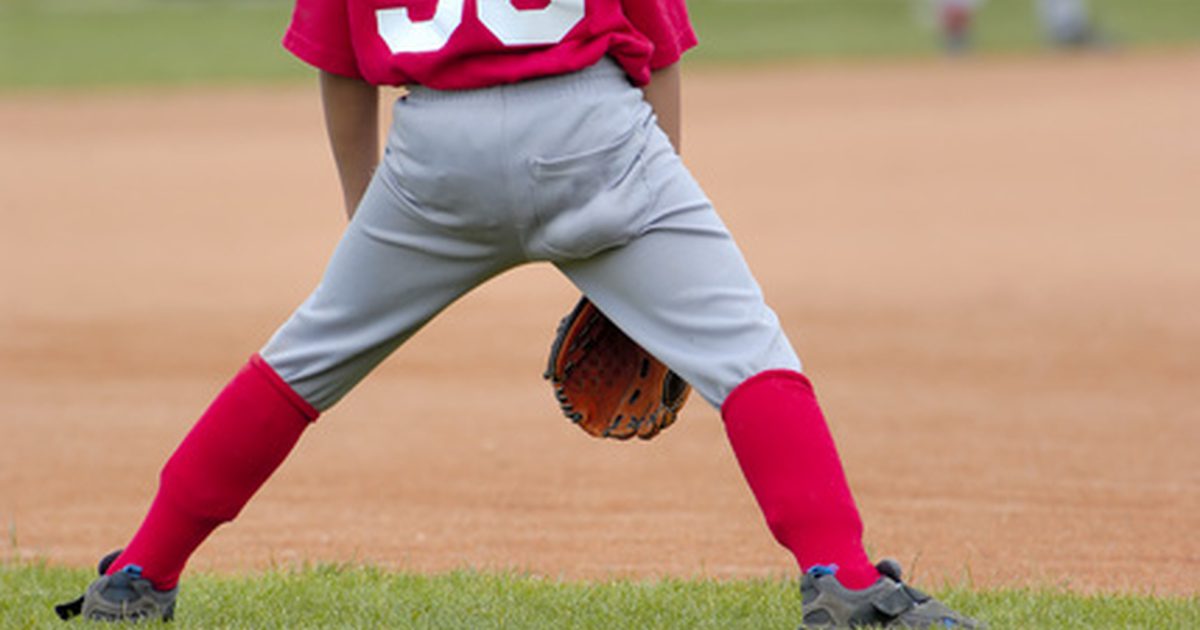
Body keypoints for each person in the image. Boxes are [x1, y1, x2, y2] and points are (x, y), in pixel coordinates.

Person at [56, 1, 983, 627]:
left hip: (435, 150)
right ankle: (844, 579)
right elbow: (654, 54)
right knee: (747, 353)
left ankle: (140, 573)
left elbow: (342, 73)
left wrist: (366, 221)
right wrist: (643, 260)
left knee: (302, 360)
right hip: (594, 132)